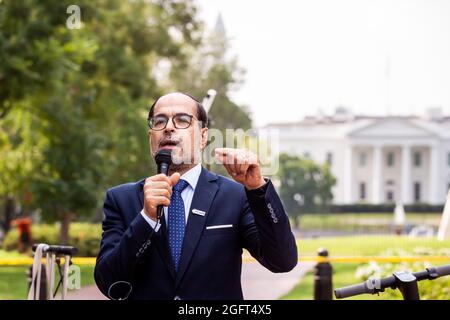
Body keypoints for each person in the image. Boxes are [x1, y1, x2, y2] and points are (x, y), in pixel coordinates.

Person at [94, 92, 298, 300]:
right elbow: (107, 281)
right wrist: (146, 218)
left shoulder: (235, 196)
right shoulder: (121, 199)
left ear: (203, 137)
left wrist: (257, 189)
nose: (168, 127)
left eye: (182, 120)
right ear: (151, 139)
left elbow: (282, 261)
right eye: (160, 121)